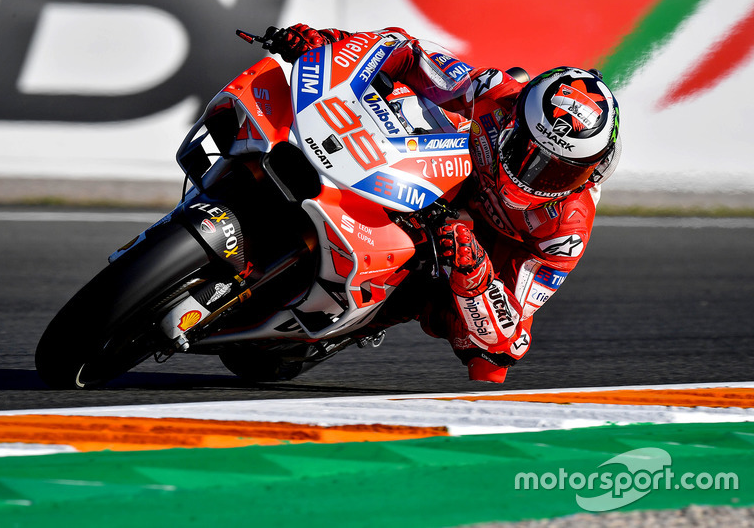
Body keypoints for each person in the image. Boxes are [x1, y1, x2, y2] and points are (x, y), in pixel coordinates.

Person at [265, 24, 622, 382]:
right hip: (428, 177)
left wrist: (474, 276)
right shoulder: (493, 95)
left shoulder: (566, 232)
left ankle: (348, 323)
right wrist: (330, 44)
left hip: (480, 248)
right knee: (396, 94)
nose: (531, 176)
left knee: (493, 359)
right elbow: (407, 53)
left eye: (557, 173)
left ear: (591, 171)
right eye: (524, 153)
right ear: (514, 118)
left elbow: (511, 331)